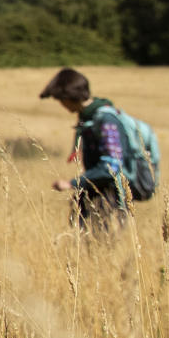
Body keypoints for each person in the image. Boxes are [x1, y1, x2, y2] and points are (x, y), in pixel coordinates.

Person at [40, 67, 127, 234]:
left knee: (100, 248)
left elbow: (112, 167)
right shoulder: (88, 118)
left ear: (68, 97)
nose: (62, 105)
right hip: (95, 194)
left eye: (61, 100)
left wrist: (72, 183)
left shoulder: (106, 120)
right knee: (85, 245)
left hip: (110, 198)